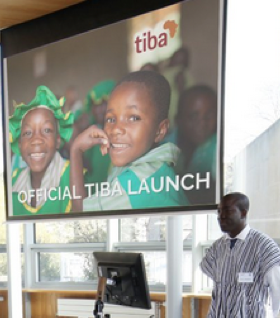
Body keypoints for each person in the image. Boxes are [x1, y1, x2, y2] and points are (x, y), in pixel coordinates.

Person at [70, 70, 189, 212]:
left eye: (133, 118)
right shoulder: (153, 166)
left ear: (160, 130)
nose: (116, 129)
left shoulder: (138, 182)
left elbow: (82, 212)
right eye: (111, 119)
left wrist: (76, 150)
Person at [10, 85, 74, 216]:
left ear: (57, 140)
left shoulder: (72, 175)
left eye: (46, 130)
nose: (36, 140)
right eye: (28, 133)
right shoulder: (13, 179)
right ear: (20, 144)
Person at [169, 84, 217, 205]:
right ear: (177, 120)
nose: (202, 123)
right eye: (193, 116)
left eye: (209, 116)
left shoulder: (218, 147)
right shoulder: (162, 148)